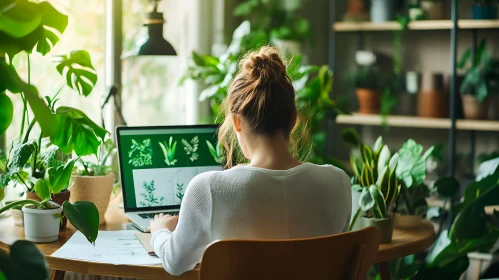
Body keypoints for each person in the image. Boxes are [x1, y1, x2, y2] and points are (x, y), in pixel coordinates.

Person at [149, 46, 352, 276]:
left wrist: (159, 232)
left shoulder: (209, 189)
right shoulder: (338, 182)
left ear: (236, 122)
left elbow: (175, 264)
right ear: (293, 120)